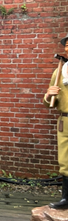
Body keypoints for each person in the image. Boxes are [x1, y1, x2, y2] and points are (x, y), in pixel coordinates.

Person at [45, 34, 68, 209]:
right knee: (65, 161)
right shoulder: (60, 72)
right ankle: (66, 199)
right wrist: (49, 95)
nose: (66, 48)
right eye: (65, 45)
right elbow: (49, 103)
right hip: (65, 121)